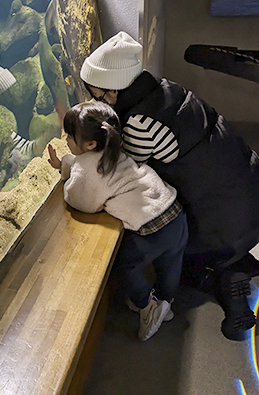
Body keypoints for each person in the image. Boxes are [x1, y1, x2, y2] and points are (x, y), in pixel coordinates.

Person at [79, 31, 259, 340]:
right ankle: (233, 263)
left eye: (98, 94)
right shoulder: (166, 90)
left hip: (233, 219)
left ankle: (229, 278)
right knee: (215, 235)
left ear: (114, 91)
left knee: (178, 255)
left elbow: (125, 171)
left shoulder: (139, 124)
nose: (98, 100)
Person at [48, 101, 188, 341]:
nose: (67, 141)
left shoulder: (86, 165)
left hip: (150, 229)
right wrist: (66, 164)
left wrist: (66, 179)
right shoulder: (115, 149)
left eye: (70, 137)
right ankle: (165, 301)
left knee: (124, 263)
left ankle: (148, 305)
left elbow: (82, 201)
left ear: (90, 144)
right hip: (175, 213)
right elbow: (86, 166)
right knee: (170, 263)